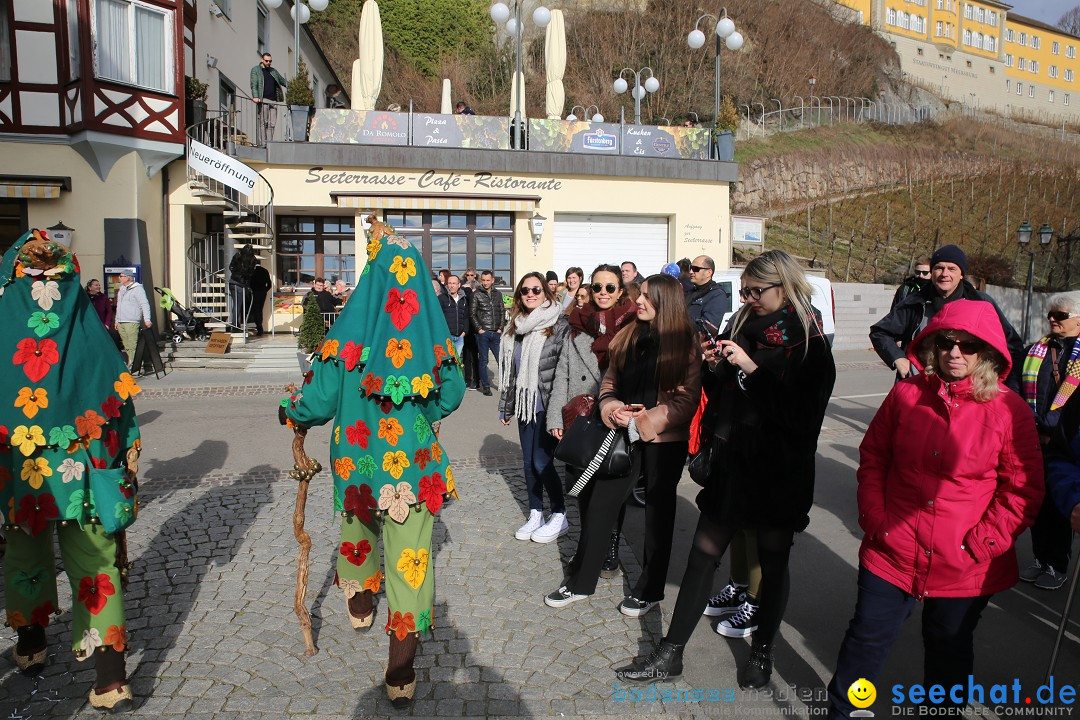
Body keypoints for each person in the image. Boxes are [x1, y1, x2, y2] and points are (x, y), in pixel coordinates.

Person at [617, 250, 835, 689]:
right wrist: (715, 367)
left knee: (773, 565)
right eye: (747, 290)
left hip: (777, 472)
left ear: (784, 286)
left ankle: (762, 653)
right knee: (702, 556)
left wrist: (752, 370)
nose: (750, 298)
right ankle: (671, 653)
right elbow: (721, 396)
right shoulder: (739, 325)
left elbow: (801, 419)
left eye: (759, 291)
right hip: (732, 464)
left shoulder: (808, 341)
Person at [826, 299, 1043, 718]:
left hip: (964, 561)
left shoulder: (1008, 411)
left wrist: (982, 543)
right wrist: (876, 520)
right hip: (892, 550)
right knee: (864, 646)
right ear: (933, 345)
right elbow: (873, 459)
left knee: (948, 653)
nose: (955, 353)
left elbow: (1023, 489)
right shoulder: (906, 395)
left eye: (968, 345)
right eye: (946, 342)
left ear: (989, 353)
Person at [284, 216, 465, 706]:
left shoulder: (347, 333)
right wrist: (421, 408)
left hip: (357, 460)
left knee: (358, 525)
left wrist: (290, 411)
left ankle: (361, 602)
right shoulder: (431, 337)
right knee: (411, 559)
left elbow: (316, 405)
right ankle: (401, 670)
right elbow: (453, 393)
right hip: (417, 466)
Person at [1, 229, 143, 710]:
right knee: (95, 563)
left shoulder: (2, 318)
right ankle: (111, 679)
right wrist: (125, 455)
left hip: (20, 471)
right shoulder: (85, 322)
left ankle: (31, 643)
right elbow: (117, 396)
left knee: (25, 551)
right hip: (82, 471)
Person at [545, 274, 701, 616]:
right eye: (639, 294)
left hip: (663, 442)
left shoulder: (686, 342)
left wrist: (642, 422)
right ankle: (581, 582)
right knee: (600, 505)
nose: (638, 301)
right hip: (621, 435)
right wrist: (610, 407)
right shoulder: (631, 333)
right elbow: (610, 381)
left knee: (658, 517)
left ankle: (649, 590)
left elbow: (685, 402)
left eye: (646, 296)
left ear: (666, 303)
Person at [547, 265, 636, 577]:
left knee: (611, 489)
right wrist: (555, 415)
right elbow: (562, 374)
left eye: (610, 288)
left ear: (621, 291)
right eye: (597, 287)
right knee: (583, 490)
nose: (603, 293)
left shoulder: (633, 326)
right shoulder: (576, 325)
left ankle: (609, 545)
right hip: (581, 419)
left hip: (615, 421)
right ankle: (588, 548)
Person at [870, 244, 1024, 383]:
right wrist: (898, 358)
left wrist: (996, 379)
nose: (945, 274)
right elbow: (880, 332)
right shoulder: (915, 302)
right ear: (932, 272)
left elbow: (1012, 345)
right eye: (939, 268)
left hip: (968, 388)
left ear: (961, 274)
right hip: (921, 385)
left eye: (952, 269)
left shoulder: (981, 303)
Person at [498, 273, 570, 543]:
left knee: (542, 461)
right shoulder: (514, 328)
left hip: (548, 408)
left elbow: (564, 371)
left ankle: (560, 513)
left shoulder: (559, 325)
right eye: (525, 290)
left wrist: (559, 415)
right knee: (528, 463)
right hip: (525, 406)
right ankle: (536, 512)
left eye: (536, 289)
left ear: (546, 293)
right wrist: (506, 407)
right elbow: (511, 373)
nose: (530, 294)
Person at [1016, 291, 1080, 591]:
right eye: (1050, 315)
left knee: (1059, 505)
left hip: (1066, 442)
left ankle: (1057, 564)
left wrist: (1054, 425)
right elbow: (1016, 386)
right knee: (1036, 503)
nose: (1053, 320)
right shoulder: (1035, 350)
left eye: (1061, 316)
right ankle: (1041, 559)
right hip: (1034, 438)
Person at [470, 270, 505, 396]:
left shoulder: (498, 294)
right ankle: (485, 386)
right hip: (483, 333)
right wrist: (479, 329)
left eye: (487, 280)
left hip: (496, 332)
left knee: (501, 360)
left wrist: (500, 328)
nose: (485, 282)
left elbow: (502, 311)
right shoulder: (476, 294)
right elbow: (472, 314)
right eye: (483, 280)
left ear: (492, 280)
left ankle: (505, 385)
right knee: (483, 361)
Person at [113, 269, 151, 363]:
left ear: (128, 277)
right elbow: (119, 305)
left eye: (121, 276)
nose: (119, 278)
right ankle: (132, 364)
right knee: (127, 346)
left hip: (131, 321)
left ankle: (136, 366)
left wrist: (147, 319)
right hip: (121, 321)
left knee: (132, 345)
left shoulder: (137, 288)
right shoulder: (121, 289)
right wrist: (117, 320)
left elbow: (144, 304)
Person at [686, 254, 733, 330]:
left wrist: (680, 323)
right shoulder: (690, 291)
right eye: (690, 268)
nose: (691, 272)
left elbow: (707, 326)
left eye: (695, 269)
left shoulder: (717, 295)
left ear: (709, 272)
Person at [250, 52, 286, 145]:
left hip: (274, 101)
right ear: (262, 60)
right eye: (266, 61)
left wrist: (294, 86)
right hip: (263, 100)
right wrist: (255, 96)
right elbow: (254, 84)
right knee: (264, 122)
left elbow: (282, 81)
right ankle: (263, 144)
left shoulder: (273, 71)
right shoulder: (256, 70)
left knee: (272, 124)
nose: (268, 63)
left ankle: (269, 144)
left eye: (270, 61)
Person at [440, 274, 470, 357]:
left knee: (457, 362)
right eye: (450, 283)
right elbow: (438, 318)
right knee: (447, 362)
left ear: (459, 285)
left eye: (454, 283)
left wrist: (464, 332)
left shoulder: (463, 299)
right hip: (447, 337)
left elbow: (466, 317)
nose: (452, 286)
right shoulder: (442, 298)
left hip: (460, 337)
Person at [229, 244, 256, 332]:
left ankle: (235, 325)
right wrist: (245, 280)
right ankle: (235, 327)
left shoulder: (237, 255)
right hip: (240, 284)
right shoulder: (252, 259)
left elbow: (231, 267)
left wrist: (235, 274)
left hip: (232, 281)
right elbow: (251, 273)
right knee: (238, 305)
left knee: (236, 305)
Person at [249, 261, 272, 335]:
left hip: (254, 292)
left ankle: (259, 327)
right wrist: (265, 290)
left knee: (255, 310)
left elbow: (248, 282)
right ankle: (260, 327)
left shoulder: (252, 271)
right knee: (260, 309)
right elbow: (269, 284)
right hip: (262, 292)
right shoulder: (265, 270)